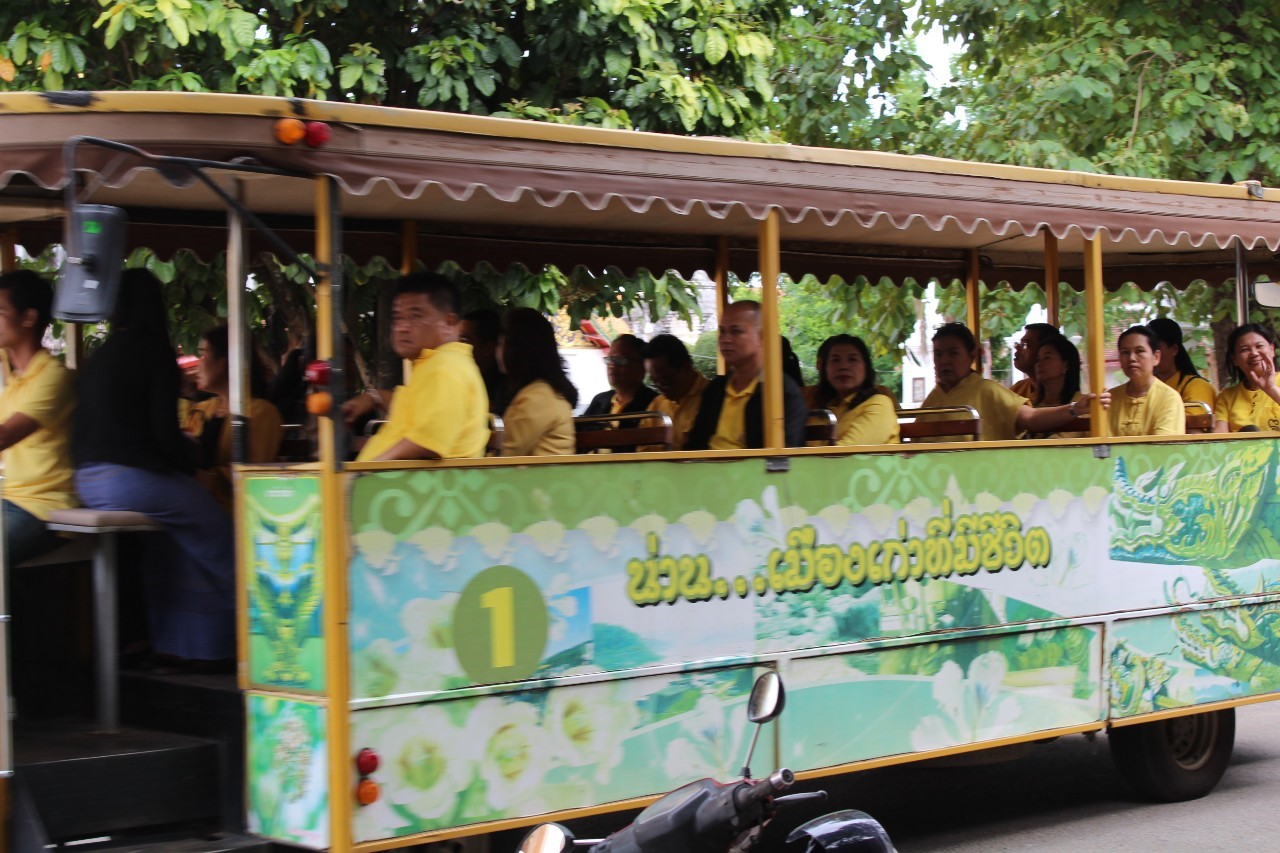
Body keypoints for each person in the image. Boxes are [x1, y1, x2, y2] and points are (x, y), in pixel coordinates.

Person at [72, 268, 235, 667]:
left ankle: (174, 642)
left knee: (168, 539)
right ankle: (261, 628)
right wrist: (191, 461)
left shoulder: (103, 353)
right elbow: (164, 433)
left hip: (87, 479)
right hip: (127, 478)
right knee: (218, 530)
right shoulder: (153, 351)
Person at [354, 272, 489, 461]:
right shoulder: (436, 363)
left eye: (415, 316)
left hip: (398, 487)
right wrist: (372, 397)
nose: (402, 327)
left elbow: (426, 443)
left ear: (448, 323)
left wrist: (365, 472)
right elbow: (414, 410)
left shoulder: (445, 367)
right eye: (397, 318)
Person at [0, 270, 77, 564]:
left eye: (0, 311)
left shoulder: (54, 376)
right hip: (11, 501)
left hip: (43, 506)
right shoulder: (16, 381)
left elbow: (5, 435)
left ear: (28, 318)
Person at [920, 322, 1105, 442]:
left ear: (971, 357)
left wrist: (1074, 409)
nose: (944, 360)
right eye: (938, 354)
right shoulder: (933, 399)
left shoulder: (987, 390)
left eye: (953, 353)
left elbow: (1031, 418)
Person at [183, 325, 283, 511]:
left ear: (223, 363)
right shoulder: (201, 409)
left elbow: (252, 473)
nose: (198, 363)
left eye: (204, 354)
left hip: (233, 513)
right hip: (196, 504)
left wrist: (207, 478)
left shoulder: (262, 413)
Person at [685, 300, 807, 450]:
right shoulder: (716, 389)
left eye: (736, 331)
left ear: (762, 337)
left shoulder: (783, 391)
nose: (725, 339)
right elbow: (694, 446)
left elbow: (786, 458)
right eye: (722, 332)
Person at [498, 308, 578, 456]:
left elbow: (507, 456)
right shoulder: (541, 392)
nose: (497, 351)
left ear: (516, 349)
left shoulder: (538, 398)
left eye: (501, 343)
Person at [809, 334, 898, 445]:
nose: (843, 366)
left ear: (866, 368)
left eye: (852, 359)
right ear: (825, 369)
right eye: (835, 360)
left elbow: (848, 454)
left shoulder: (879, 404)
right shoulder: (821, 412)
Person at [1108, 325, 1186, 436]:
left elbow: (1163, 449)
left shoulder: (1169, 398)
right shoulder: (1110, 398)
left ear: (1156, 357)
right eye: (1125, 352)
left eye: (1139, 351)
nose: (1132, 358)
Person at [643, 334, 709, 450]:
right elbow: (642, 450)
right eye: (655, 382)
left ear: (686, 367)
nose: (661, 389)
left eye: (665, 381)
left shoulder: (712, 397)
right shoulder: (657, 405)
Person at [1213, 322, 1280, 432]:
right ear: (1234, 359)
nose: (1254, 353)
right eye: (1244, 349)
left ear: (1272, 350)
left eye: (1259, 346)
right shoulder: (1227, 397)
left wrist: (1271, 389)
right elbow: (1219, 441)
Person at [1022, 336, 1086, 439]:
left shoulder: (1081, 404)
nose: (1039, 364)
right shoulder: (1030, 405)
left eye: (1047, 357)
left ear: (1065, 365)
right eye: (1038, 359)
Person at [1147, 317, 1216, 411]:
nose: (1149, 355)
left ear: (1174, 349)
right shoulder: (1140, 389)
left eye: (1154, 347)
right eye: (1143, 350)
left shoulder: (1198, 387)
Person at [582, 334, 658, 417]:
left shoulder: (654, 404)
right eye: (610, 359)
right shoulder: (600, 400)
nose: (612, 365)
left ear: (642, 366)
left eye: (620, 360)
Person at [460, 308, 506, 414]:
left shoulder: (503, 389)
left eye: (464, 341)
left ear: (488, 348)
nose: (456, 346)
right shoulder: (458, 376)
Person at [1010, 323, 1061, 399]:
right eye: (1019, 344)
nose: (1017, 349)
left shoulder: (1066, 398)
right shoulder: (1017, 389)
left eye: (1025, 345)